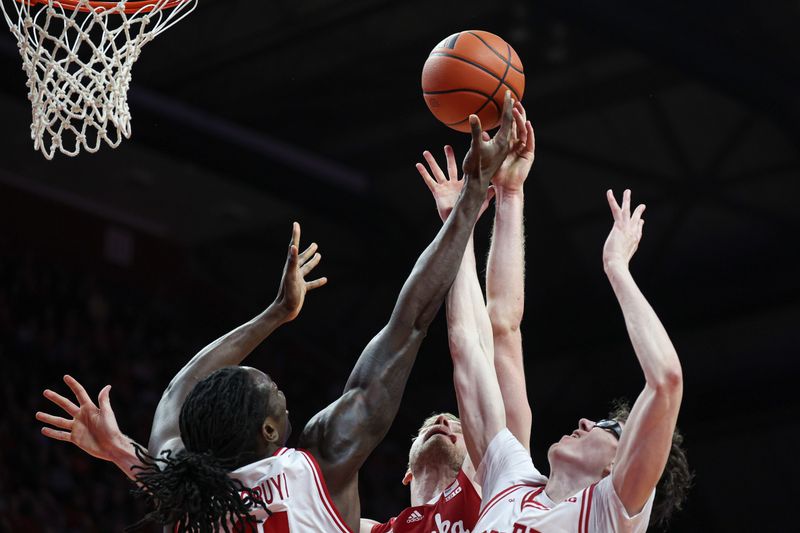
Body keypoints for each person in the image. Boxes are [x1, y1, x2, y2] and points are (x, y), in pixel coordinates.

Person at [36, 93, 517, 532]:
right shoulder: (318, 461)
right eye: (274, 391)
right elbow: (408, 323)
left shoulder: (185, 479)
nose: (282, 391)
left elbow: (179, 395)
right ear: (270, 430)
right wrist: (475, 193)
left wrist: (275, 314)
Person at [446, 188, 692, 532]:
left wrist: (616, 266)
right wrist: (492, 204)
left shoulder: (607, 514)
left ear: (617, 464)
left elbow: (666, 380)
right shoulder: (510, 481)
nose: (584, 422)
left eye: (607, 428)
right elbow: (473, 341)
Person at [363, 101, 535, 533]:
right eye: (433, 425)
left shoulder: (494, 482)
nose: (443, 421)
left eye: (457, 426)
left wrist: (505, 198)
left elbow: (500, 329)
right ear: (404, 471)